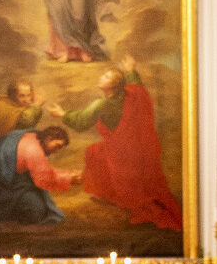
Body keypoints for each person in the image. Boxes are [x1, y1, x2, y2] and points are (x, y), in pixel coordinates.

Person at [50, 55, 180, 230]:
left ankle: (114, 195)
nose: (101, 77)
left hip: (120, 153)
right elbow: (139, 88)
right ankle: (107, 193)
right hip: (138, 149)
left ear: (113, 85)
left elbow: (81, 121)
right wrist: (131, 70)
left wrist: (62, 114)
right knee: (95, 150)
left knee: (95, 152)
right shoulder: (131, 95)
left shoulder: (102, 105)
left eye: (106, 77)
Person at [0, 125, 79, 225]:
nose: (57, 151)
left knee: (36, 204)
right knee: (37, 211)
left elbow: (43, 169)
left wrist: (68, 174)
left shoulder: (33, 137)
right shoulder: (33, 150)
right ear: (48, 139)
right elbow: (43, 179)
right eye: (57, 146)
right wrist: (70, 178)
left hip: (6, 175)